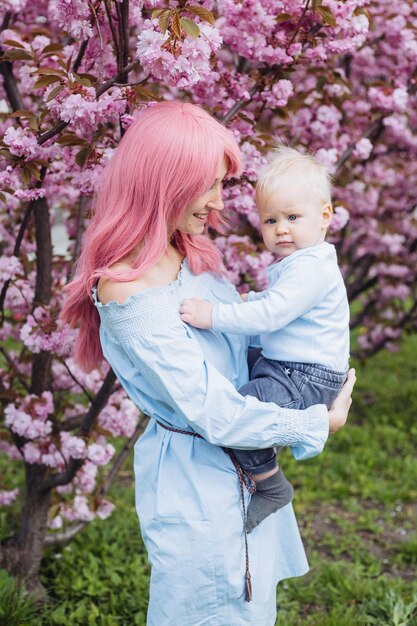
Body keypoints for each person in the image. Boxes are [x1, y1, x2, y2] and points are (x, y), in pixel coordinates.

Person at [61, 101, 355, 626]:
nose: (220, 201)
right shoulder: (131, 291)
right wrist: (318, 421)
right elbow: (215, 413)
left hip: (239, 458)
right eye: (210, 184)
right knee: (211, 607)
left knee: (248, 605)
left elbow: (237, 339)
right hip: (200, 473)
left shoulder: (184, 248)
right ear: (166, 181)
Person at [180, 145, 350, 533]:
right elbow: (278, 308)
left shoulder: (312, 269)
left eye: (292, 217)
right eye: (270, 220)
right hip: (291, 365)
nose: (281, 229)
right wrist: (251, 301)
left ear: (325, 216)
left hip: (305, 377)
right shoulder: (303, 262)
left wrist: (216, 315)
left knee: (243, 412)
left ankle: (270, 483)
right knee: (242, 366)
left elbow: (275, 313)